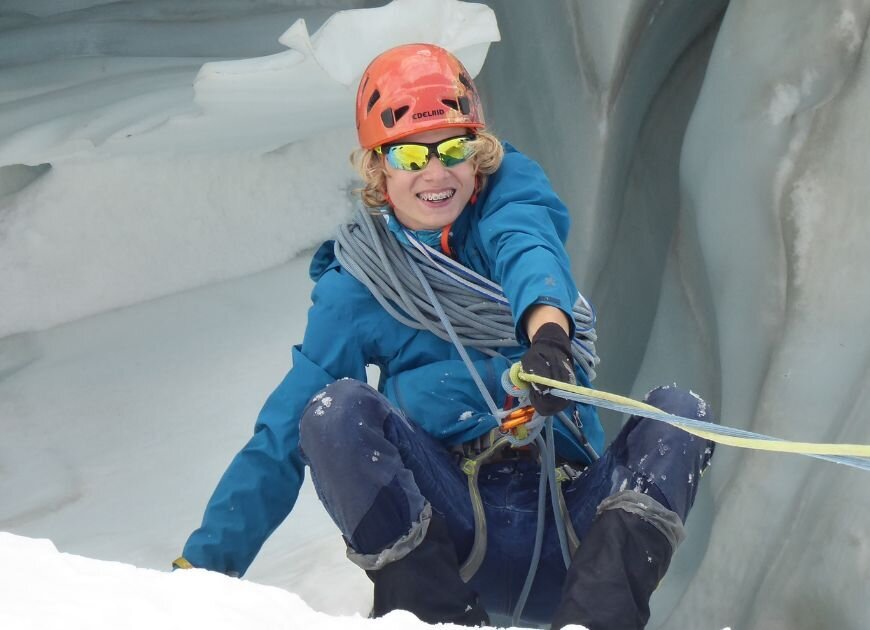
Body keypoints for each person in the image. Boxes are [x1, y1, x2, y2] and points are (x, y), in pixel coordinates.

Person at [175, 43, 714, 630]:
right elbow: (281, 434)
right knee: (333, 411)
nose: (436, 173)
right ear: (379, 168)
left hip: (567, 525)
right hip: (450, 529)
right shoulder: (361, 284)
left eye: (454, 149)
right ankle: (434, 622)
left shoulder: (508, 197)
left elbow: (526, 246)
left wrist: (550, 338)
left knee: (679, 417)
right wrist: (199, 572)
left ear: (478, 155)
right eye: (410, 155)